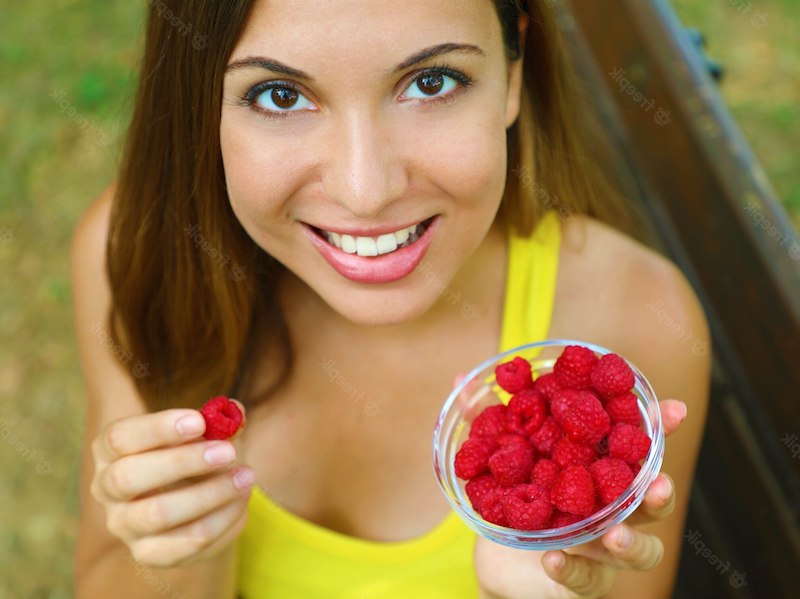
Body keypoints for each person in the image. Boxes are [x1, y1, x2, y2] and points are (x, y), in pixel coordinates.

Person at [70, 0, 710, 597]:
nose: (365, 191)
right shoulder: (141, 253)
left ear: (513, 75)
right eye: (280, 94)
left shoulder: (632, 318)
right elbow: (106, 571)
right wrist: (187, 552)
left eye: (431, 83)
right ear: (200, 98)